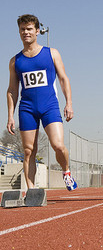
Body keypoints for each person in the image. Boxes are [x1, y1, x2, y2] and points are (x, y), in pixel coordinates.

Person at [6, 14, 77, 191]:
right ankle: (31, 190)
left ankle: (66, 171)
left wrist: (68, 103)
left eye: (29, 29)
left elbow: (63, 78)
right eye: (22, 29)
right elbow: (12, 90)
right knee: (29, 151)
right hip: (27, 108)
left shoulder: (51, 53)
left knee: (58, 146)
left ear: (37, 31)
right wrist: (10, 116)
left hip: (49, 106)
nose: (25, 32)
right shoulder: (15, 61)